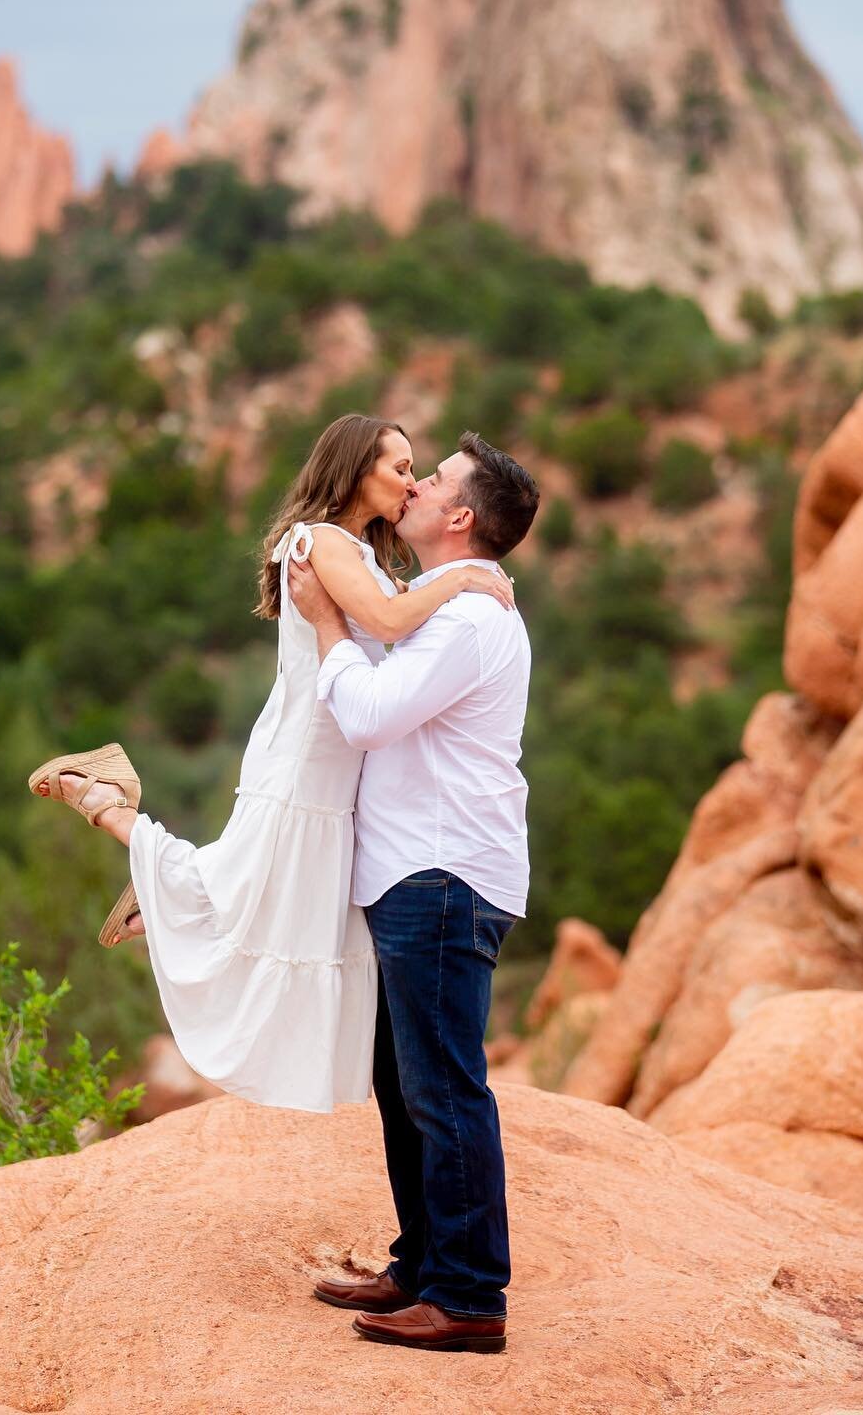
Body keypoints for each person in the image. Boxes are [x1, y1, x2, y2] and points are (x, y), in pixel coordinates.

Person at [27, 413, 514, 1115]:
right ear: (355, 469)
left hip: (338, 771)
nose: (411, 482)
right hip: (303, 758)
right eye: (400, 467)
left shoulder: (367, 557)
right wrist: (465, 578)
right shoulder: (318, 543)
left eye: (415, 471)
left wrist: (451, 589)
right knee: (259, 891)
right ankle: (103, 796)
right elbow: (383, 624)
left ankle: (166, 899)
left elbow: (398, 631)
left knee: (289, 910)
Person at [290, 430, 540, 1356]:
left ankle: (471, 1296)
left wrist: (324, 628)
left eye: (433, 479)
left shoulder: (473, 621)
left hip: (442, 874)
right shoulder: (441, 608)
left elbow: (364, 715)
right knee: (405, 1084)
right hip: (417, 871)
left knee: (442, 1086)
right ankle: (424, 1265)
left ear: (461, 516)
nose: (418, 484)